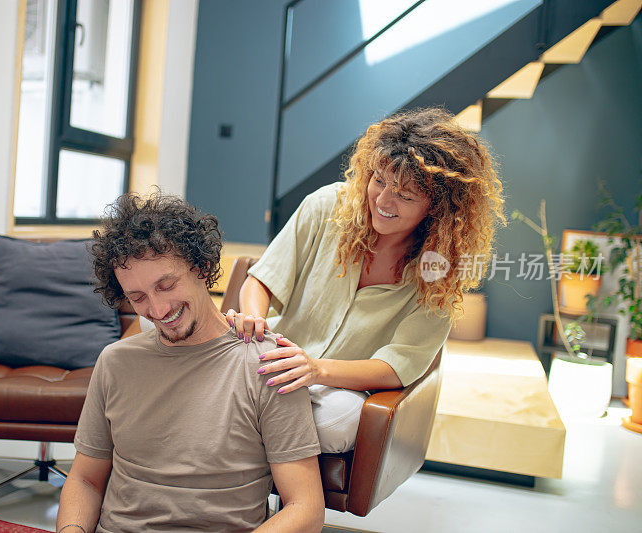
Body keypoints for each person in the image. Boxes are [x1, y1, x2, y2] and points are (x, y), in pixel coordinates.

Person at [227, 107, 506, 453]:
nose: (384, 201)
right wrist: (255, 319)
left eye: (405, 195)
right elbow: (263, 279)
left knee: (335, 422)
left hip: (337, 387)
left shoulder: (440, 272)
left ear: (437, 208)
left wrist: (318, 371)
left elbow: (397, 366)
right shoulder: (328, 206)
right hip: (275, 358)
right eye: (379, 180)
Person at [56, 193, 325, 533]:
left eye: (166, 285)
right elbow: (85, 480)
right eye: (137, 297)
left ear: (203, 268)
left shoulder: (268, 363)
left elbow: (306, 508)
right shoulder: (116, 362)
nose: (157, 310)